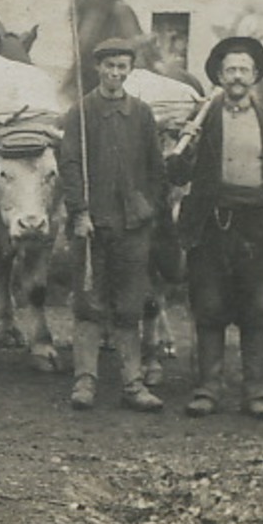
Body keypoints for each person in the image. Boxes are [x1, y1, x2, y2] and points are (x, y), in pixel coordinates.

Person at [165, 36, 263, 420]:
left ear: (256, 75)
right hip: (212, 227)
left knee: (258, 308)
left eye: (244, 69)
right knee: (209, 306)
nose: (238, 76)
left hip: (260, 228)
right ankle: (208, 388)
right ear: (220, 76)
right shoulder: (202, 120)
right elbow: (175, 174)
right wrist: (184, 146)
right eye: (230, 70)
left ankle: (255, 391)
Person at [59, 37, 168, 413]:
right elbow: (69, 165)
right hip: (91, 223)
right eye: (110, 66)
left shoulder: (141, 113)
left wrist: (147, 207)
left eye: (122, 67)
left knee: (129, 304)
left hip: (132, 226)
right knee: (89, 302)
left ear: (129, 70)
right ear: (98, 69)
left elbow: (156, 168)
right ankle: (85, 380)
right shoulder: (80, 113)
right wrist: (79, 212)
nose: (116, 73)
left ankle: (132, 383)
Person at [72, 0, 145, 93]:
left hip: (120, 65)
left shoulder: (125, 9)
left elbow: (134, 36)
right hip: (93, 64)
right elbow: (84, 36)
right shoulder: (91, 2)